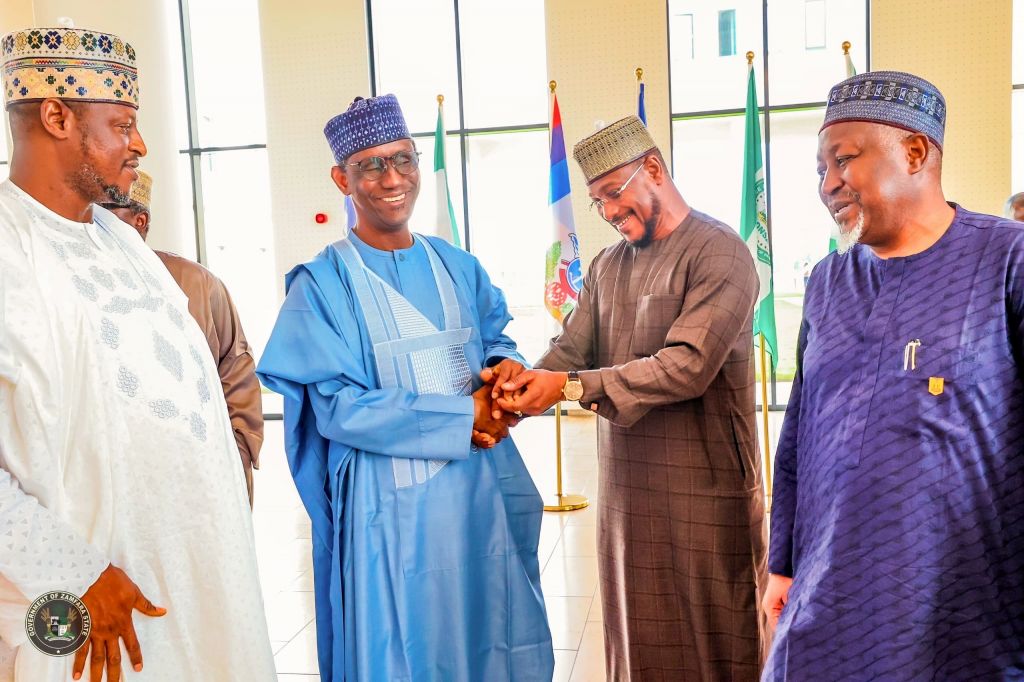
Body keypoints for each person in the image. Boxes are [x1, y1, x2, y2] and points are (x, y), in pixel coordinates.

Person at [0, 26, 275, 681]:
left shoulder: (119, 244)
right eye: (123, 125)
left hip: (200, 593)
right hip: (91, 609)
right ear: (57, 116)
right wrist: (73, 572)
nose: (140, 144)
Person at [255, 94, 553, 681]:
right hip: (387, 508)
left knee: (489, 630)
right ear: (342, 178)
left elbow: (495, 338)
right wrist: (461, 417)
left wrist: (504, 377)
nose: (392, 178)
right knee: (401, 647)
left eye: (404, 160)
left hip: (477, 492)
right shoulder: (322, 284)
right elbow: (338, 409)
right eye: (370, 165)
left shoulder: (457, 264)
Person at [762, 70, 1024, 679]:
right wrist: (783, 562)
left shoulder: (1006, 259)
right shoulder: (829, 282)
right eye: (819, 170)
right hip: (828, 591)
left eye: (844, 160)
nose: (828, 184)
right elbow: (799, 432)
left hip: (962, 602)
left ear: (914, 152)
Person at [495, 115, 767, 681]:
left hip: (707, 490)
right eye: (597, 202)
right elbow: (572, 349)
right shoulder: (607, 265)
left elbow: (686, 367)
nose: (610, 213)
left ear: (654, 169)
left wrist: (568, 387)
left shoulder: (720, 253)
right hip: (627, 494)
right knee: (637, 641)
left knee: (718, 642)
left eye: (614, 194)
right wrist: (521, 385)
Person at [106, 171, 263, 506]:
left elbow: (235, 366)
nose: (95, 227)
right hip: (118, 472)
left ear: (140, 220)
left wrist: (237, 449)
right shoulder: (82, 284)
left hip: (202, 464)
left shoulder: (198, 283)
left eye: (107, 214)